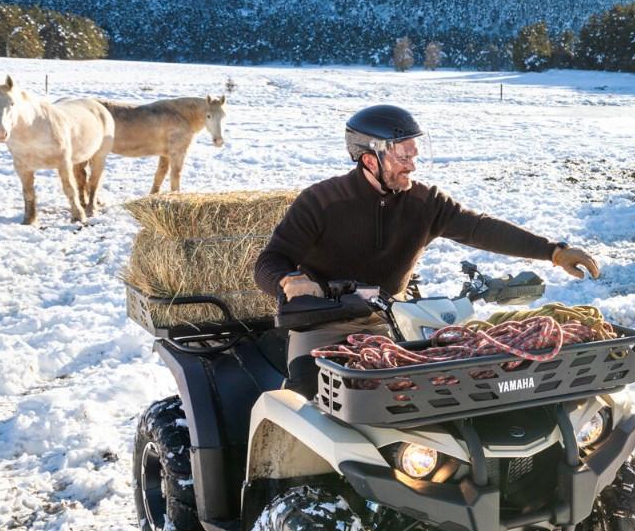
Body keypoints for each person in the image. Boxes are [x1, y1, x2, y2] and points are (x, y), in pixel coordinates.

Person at [254, 103, 600, 390]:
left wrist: (553, 251)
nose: (412, 165)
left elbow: (480, 228)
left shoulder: (424, 202)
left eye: (414, 154)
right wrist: (288, 280)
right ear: (370, 159)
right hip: (321, 329)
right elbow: (270, 260)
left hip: (391, 324)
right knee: (310, 401)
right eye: (402, 156)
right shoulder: (321, 201)